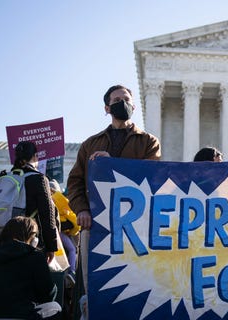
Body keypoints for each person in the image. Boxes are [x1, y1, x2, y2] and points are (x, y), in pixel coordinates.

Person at [66, 84, 161, 315]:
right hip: (96, 223)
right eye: (117, 100)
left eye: (126, 99)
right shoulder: (90, 144)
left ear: (134, 106)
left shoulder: (148, 141)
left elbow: (152, 176)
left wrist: (111, 164)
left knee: (135, 281)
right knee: (95, 283)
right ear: (107, 108)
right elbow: (75, 183)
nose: (123, 103)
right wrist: (82, 210)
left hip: (135, 226)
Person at [0, 216, 61, 319]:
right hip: (25, 315)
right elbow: (48, 295)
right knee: (55, 307)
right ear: (33, 239)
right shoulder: (35, 256)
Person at [5, 141, 59, 263]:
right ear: (35, 156)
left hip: (4, 239)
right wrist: (51, 246)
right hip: (29, 241)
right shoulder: (38, 178)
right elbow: (47, 214)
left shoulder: (5, 177)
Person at [48, 179, 78, 288]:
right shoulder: (60, 199)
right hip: (59, 232)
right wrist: (74, 230)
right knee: (72, 249)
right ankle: (72, 271)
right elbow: (73, 219)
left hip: (53, 231)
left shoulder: (48, 198)